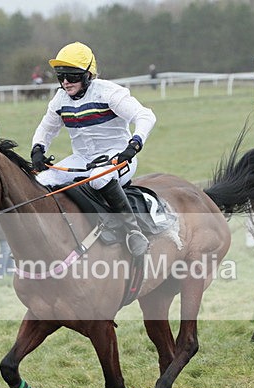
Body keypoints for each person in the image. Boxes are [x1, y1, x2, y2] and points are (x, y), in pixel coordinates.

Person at [30, 42, 156, 256]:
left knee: (99, 178)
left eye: (72, 76)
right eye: (61, 76)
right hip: (82, 159)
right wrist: (38, 149)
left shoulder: (109, 93)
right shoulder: (60, 99)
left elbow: (145, 116)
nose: (66, 82)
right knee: (42, 182)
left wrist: (133, 145)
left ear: (88, 75)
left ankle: (133, 232)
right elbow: (46, 128)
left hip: (117, 156)